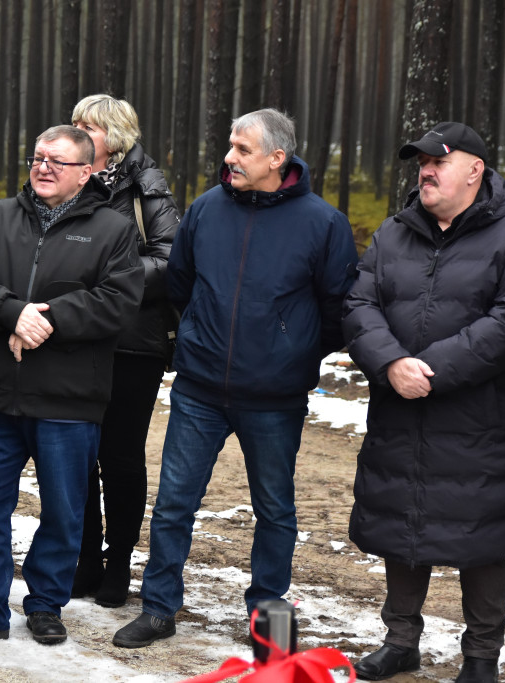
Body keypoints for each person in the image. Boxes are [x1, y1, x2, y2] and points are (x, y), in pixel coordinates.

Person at [113, 108, 358, 648]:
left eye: (243, 149)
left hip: (274, 397)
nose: (229, 157)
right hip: (199, 388)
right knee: (173, 504)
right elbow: (181, 284)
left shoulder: (323, 223)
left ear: (277, 158)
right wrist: (201, 333)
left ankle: (270, 622)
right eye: (230, 146)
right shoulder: (206, 208)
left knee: (275, 510)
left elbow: (337, 309)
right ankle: (158, 609)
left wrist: (290, 351)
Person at [343, 122, 505, 683]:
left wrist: (430, 370)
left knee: (481, 535)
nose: (426, 172)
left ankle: (481, 657)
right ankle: (400, 642)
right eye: (422, 164)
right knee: (402, 524)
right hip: (400, 409)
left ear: (475, 170)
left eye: (438, 162)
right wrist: (391, 363)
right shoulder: (394, 233)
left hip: (479, 420)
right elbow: (359, 305)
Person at [0, 125, 143, 647]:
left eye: (58, 161)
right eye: (38, 157)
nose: (43, 167)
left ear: (86, 173)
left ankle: (46, 604)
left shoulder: (113, 229)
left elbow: (118, 301)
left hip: (69, 400)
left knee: (64, 514)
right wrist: (12, 313)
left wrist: (44, 320)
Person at [69, 94, 179, 607]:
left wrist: (105, 281)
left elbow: (169, 259)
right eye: (74, 122)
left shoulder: (146, 186)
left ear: (113, 137)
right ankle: (85, 558)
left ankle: (118, 563)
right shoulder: (66, 177)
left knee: (119, 456)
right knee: (76, 453)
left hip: (133, 341)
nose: (76, 130)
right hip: (75, 337)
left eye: (87, 125)